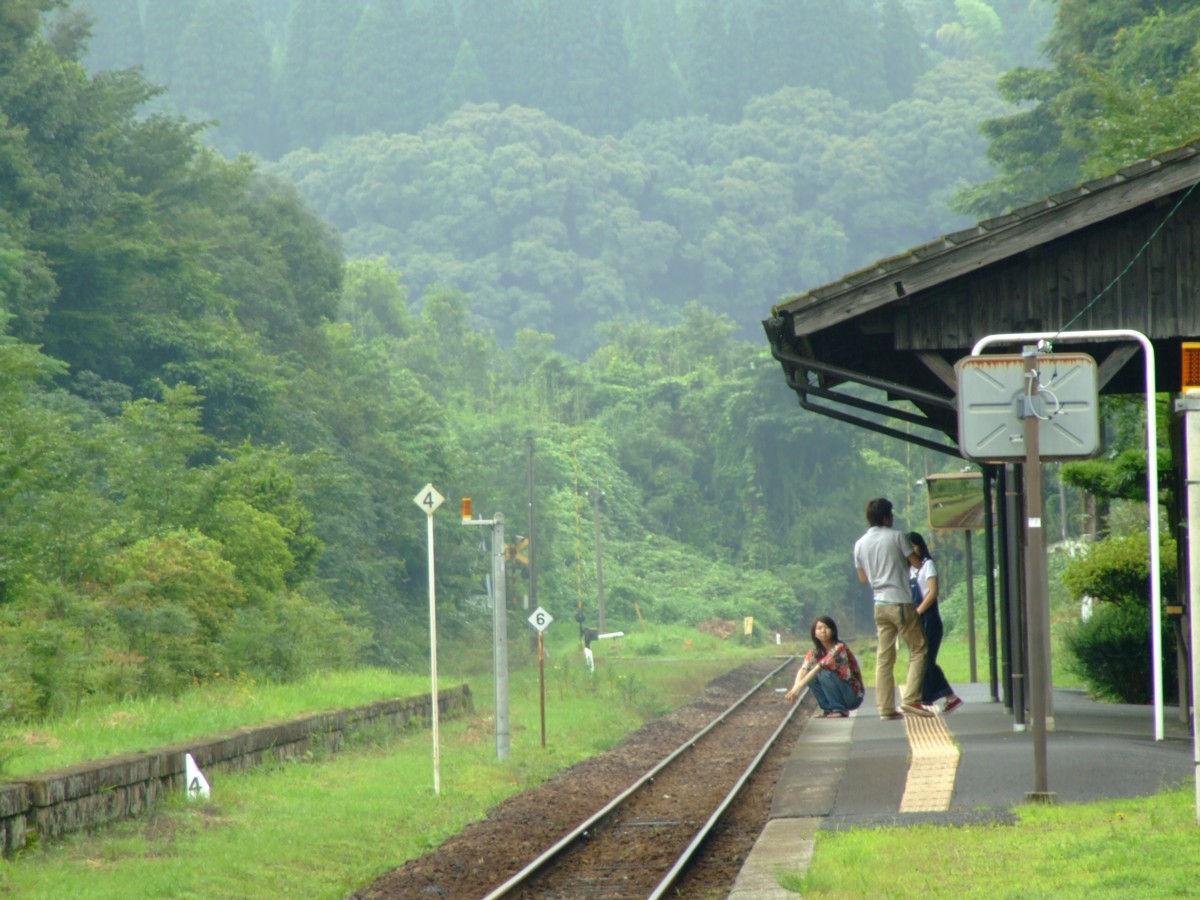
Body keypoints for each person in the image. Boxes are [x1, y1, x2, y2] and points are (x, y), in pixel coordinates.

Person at [853, 498, 931, 719]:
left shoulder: (860, 544)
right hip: (901, 602)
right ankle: (911, 700)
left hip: (880, 605)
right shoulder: (897, 536)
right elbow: (917, 563)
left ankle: (886, 708)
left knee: (884, 658)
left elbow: (862, 578)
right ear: (887, 516)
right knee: (919, 649)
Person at [908, 532, 963, 714]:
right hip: (917, 620)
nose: (911, 551)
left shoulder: (927, 565)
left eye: (914, 546)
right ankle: (933, 699)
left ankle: (944, 697)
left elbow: (932, 592)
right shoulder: (909, 570)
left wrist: (918, 612)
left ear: (920, 546)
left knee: (926, 661)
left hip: (929, 619)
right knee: (923, 661)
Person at [785, 616, 863, 717]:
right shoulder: (816, 651)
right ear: (815, 633)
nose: (823, 631)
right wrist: (795, 686)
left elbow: (819, 667)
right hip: (842, 693)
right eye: (819, 628)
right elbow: (804, 668)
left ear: (833, 631)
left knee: (823, 673)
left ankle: (839, 709)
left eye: (826, 627)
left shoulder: (839, 647)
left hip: (852, 695)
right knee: (811, 678)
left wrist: (799, 687)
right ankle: (829, 709)